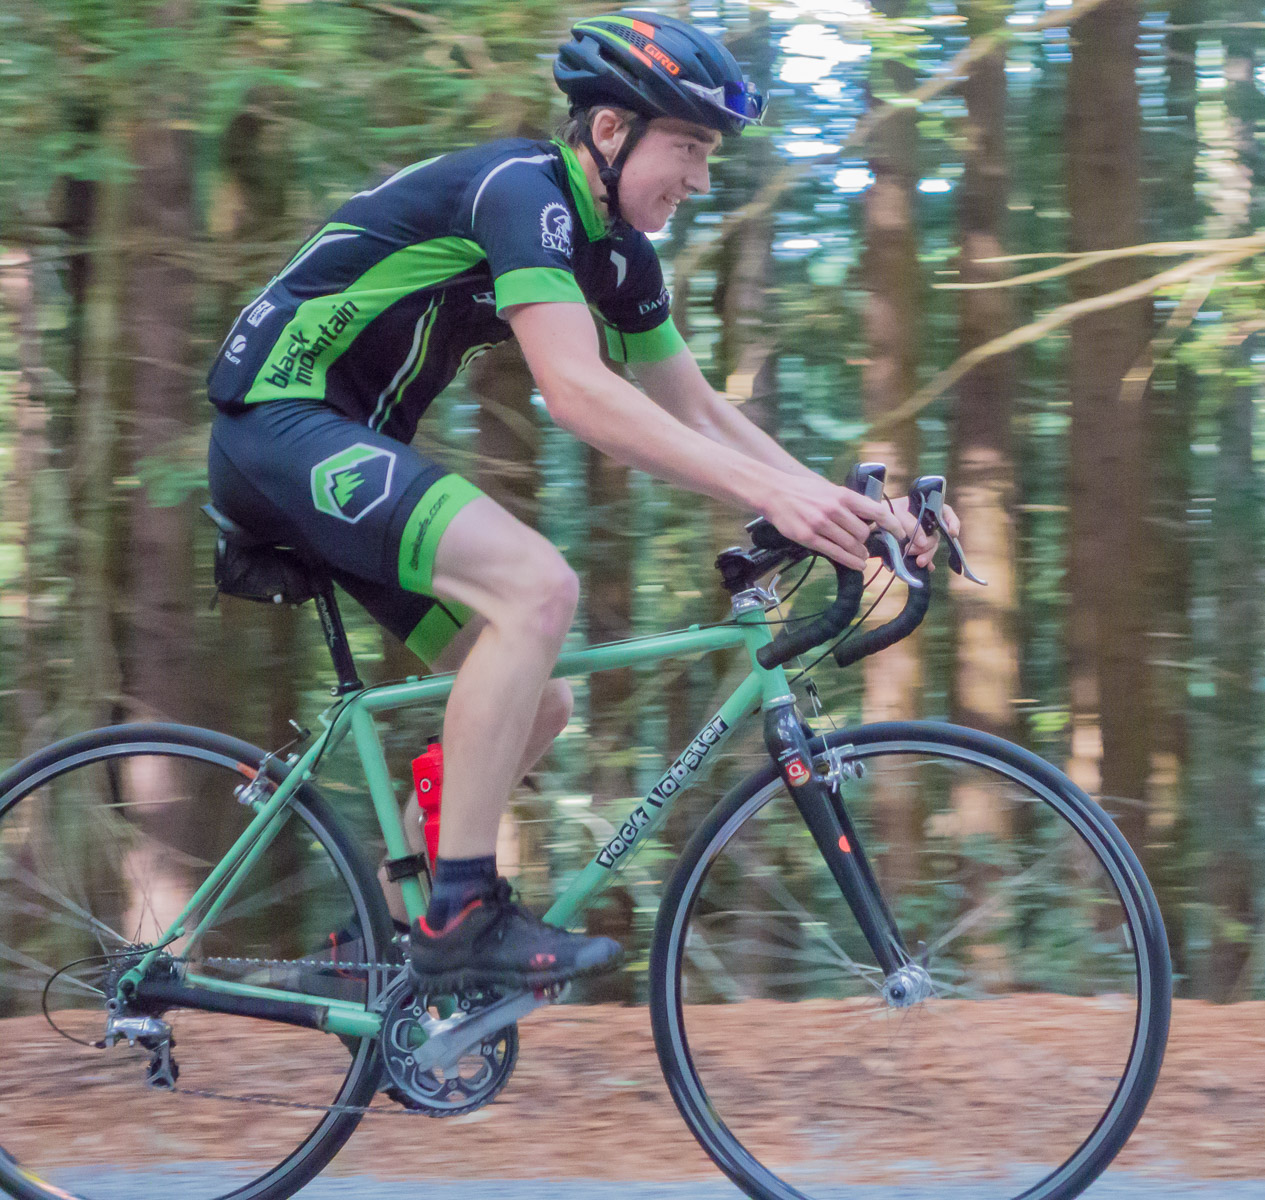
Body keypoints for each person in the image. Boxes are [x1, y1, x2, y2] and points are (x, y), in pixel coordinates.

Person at [205, 10, 949, 993]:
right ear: (608, 130)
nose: (699, 179)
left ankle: (383, 943)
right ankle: (461, 914)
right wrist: (775, 495)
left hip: (339, 449)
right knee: (538, 588)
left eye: (708, 155)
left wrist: (844, 509)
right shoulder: (522, 192)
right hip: (275, 424)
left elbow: (692, 406)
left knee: (541, 701)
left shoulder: (618, 255)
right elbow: (576, 392)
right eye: (687, 147)